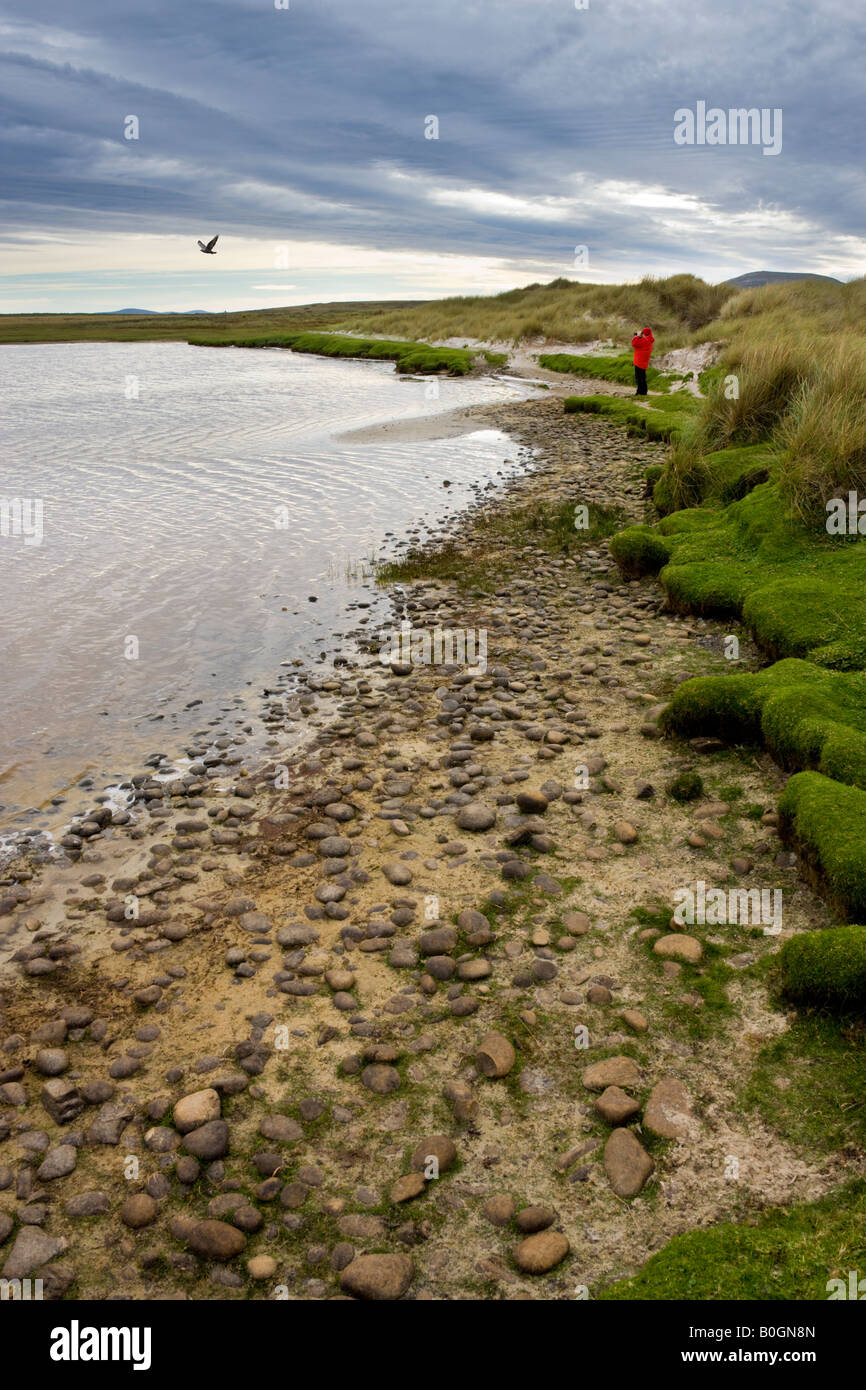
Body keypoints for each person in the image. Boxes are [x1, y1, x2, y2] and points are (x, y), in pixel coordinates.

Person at [631, 326, 654, 396]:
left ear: (645, 333)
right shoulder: (649, 340)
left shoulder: (645, 341)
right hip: (643, 362)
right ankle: (643, 391)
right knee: (642, 377)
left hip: (639, 362)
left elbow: (634, 343)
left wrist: (637, 336)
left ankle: (640, 392)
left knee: (639, 378)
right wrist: (640, 337)